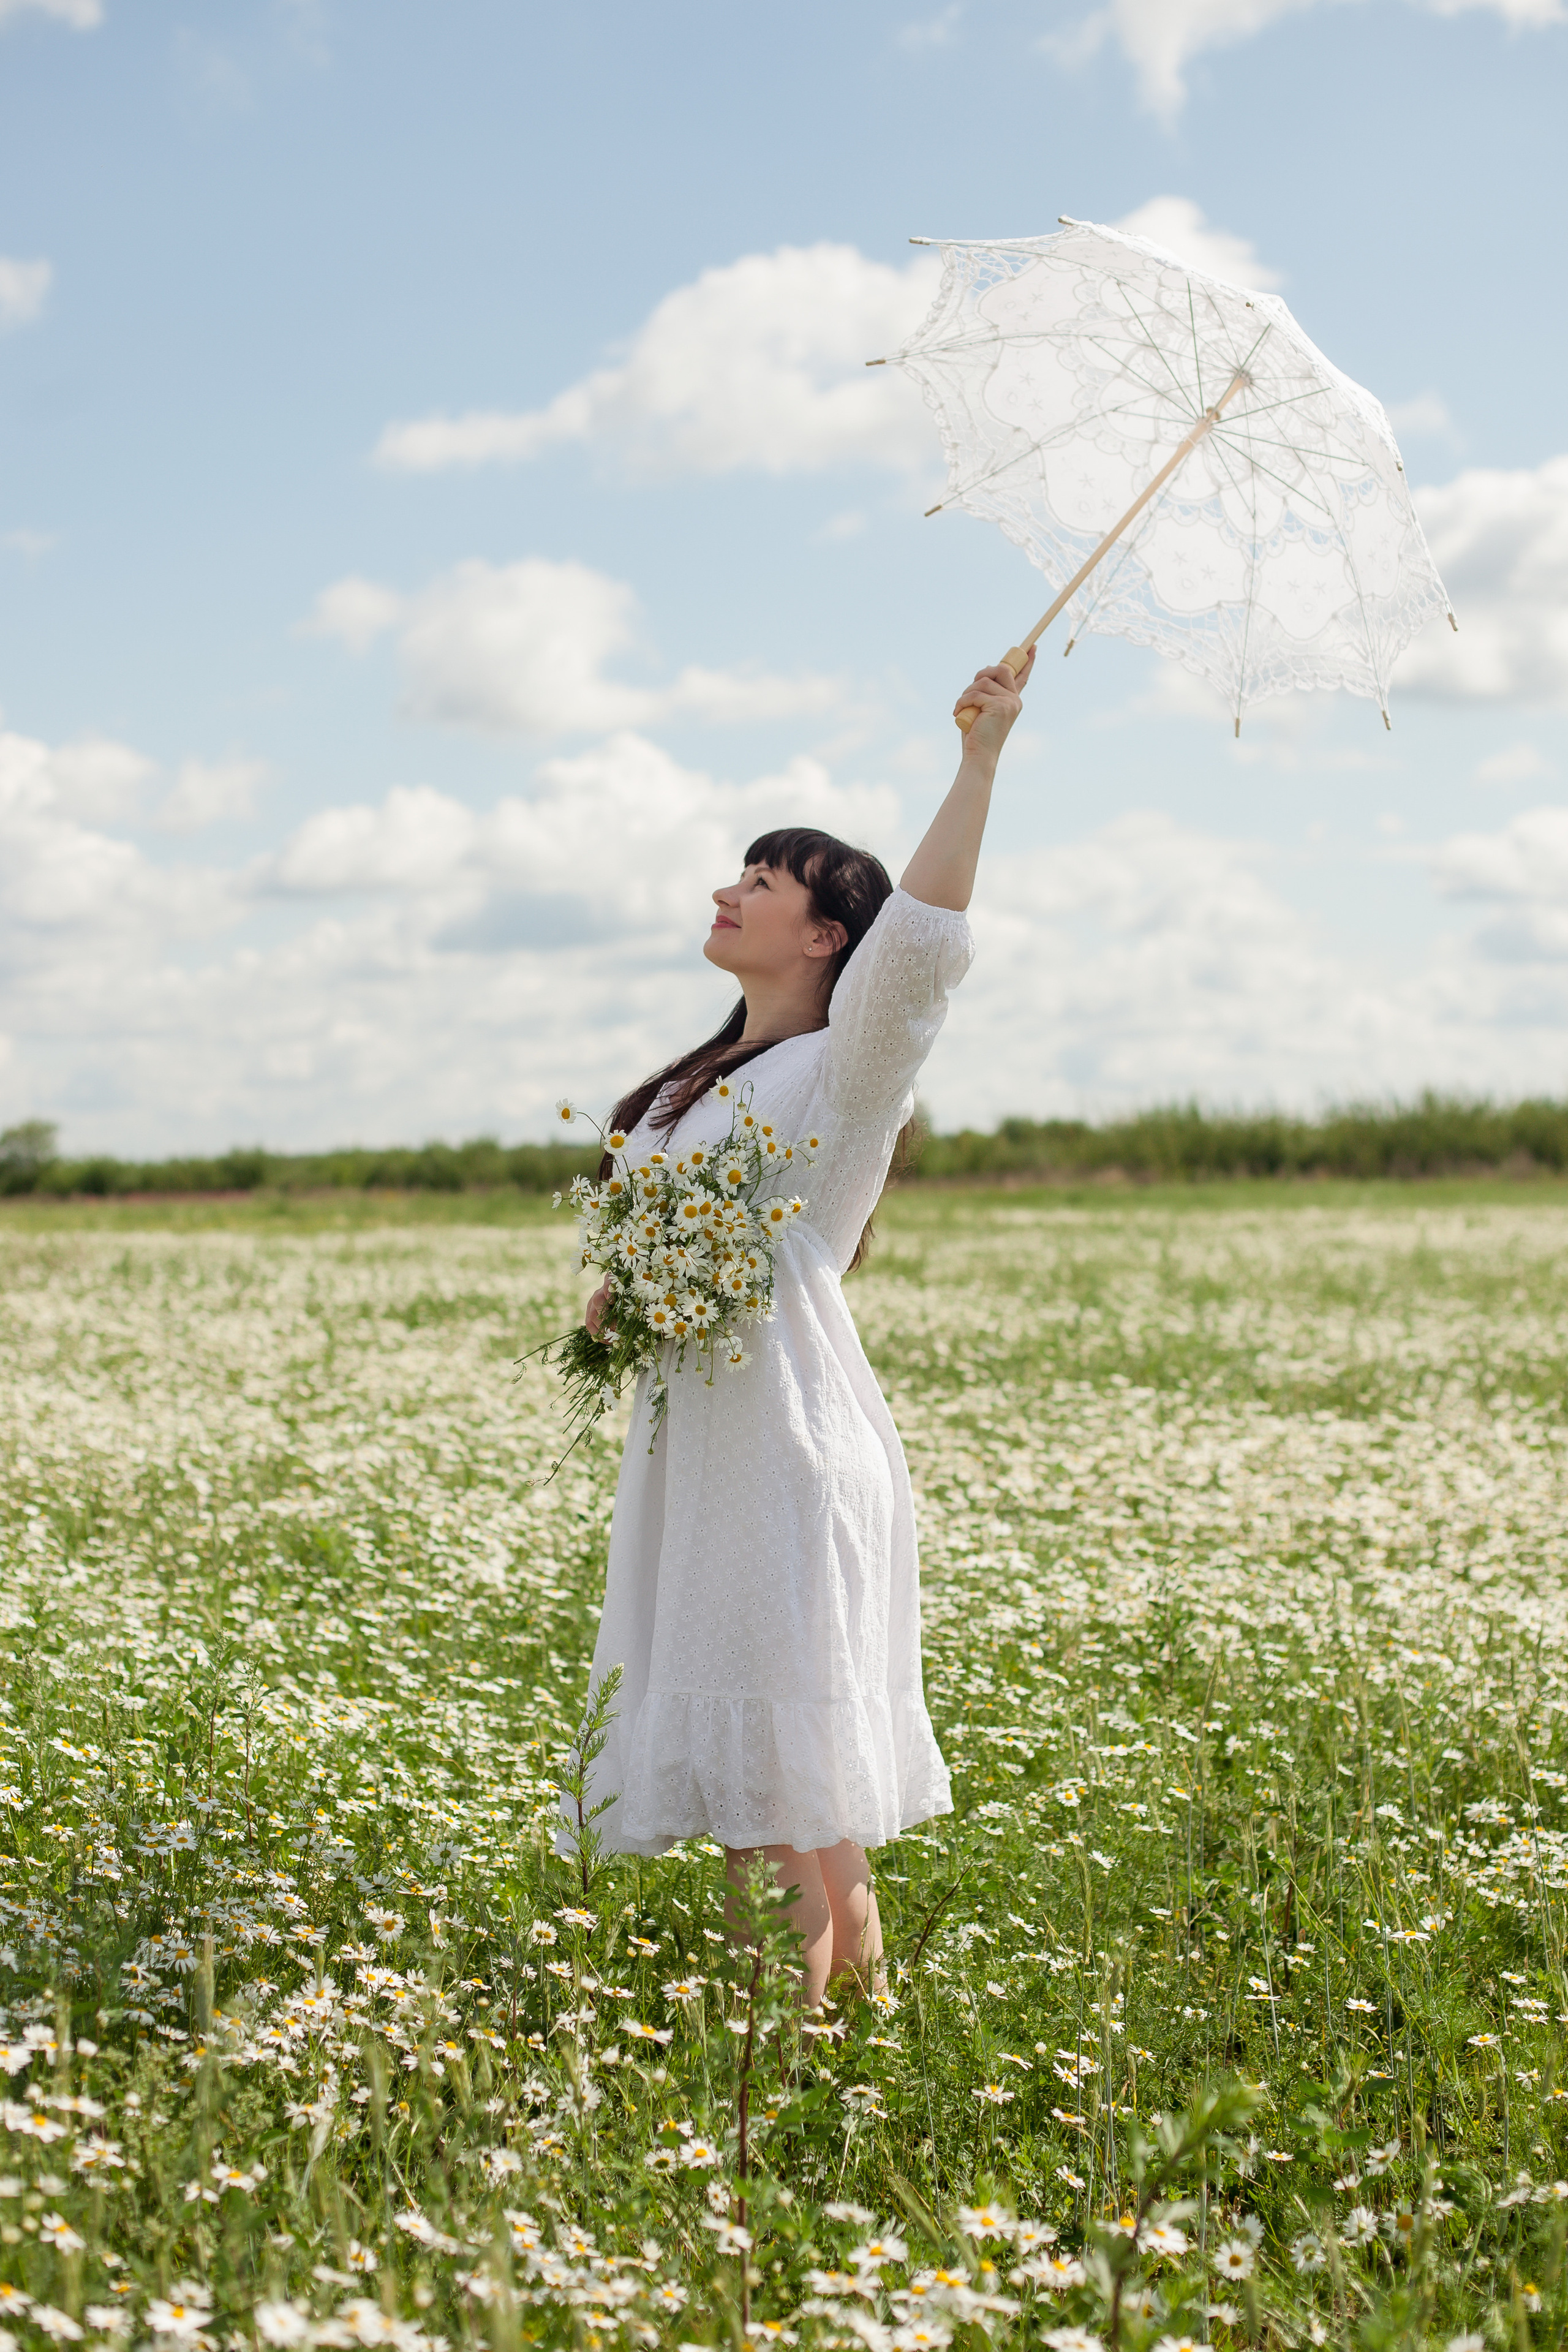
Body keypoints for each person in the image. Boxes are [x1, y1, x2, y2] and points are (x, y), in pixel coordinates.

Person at [576, 654, 1034, 2005]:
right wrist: (620, 1298)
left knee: (769, 1788)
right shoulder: (697, 1085)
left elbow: (924, 944)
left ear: (826, 936)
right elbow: (666, 1242)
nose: (727, 890)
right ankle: (856, 2055)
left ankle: (783, 2068)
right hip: (710, 1448)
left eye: (760, 882)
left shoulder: (846, 1065)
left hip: (782, 1451)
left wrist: (977, 760)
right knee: (797, 1791)